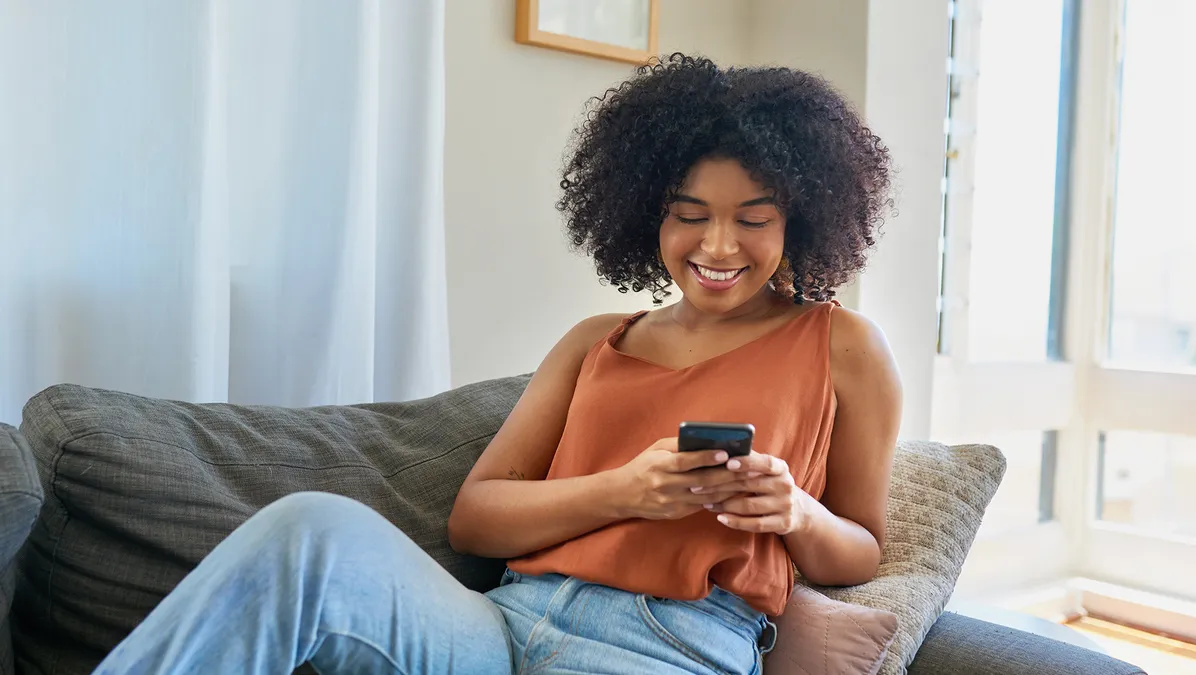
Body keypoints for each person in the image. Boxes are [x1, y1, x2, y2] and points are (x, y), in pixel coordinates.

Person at [94, 53, 901, 675]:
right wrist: (625, 491)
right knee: (309, 530)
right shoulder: (597, 341)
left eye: (752, 220)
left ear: (800, 220)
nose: (718, 246)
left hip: (668, 646)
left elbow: (861, 547)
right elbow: (475, 517)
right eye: (689, 216)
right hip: (501, 624)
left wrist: (796, 511)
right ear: (645, 212)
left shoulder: (844, 348)